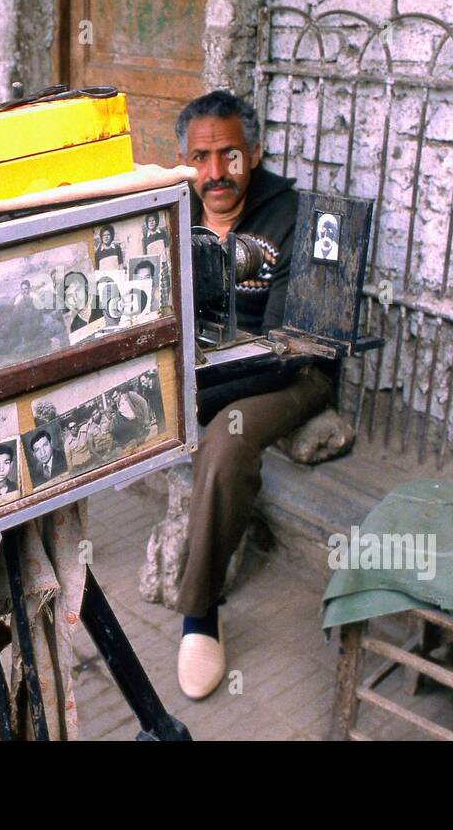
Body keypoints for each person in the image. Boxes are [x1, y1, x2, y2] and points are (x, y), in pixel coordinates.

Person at [173, 90, 332, 701]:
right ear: (183, 161)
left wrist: (198, 391)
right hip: (206, 368)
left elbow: (292, 344)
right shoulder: (171, 212)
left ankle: (200, 614)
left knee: (225, 444)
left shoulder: (297, 215)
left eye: (230, 156)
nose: (216, 173)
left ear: (255, 154)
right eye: (201, 158)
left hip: (290, 372)